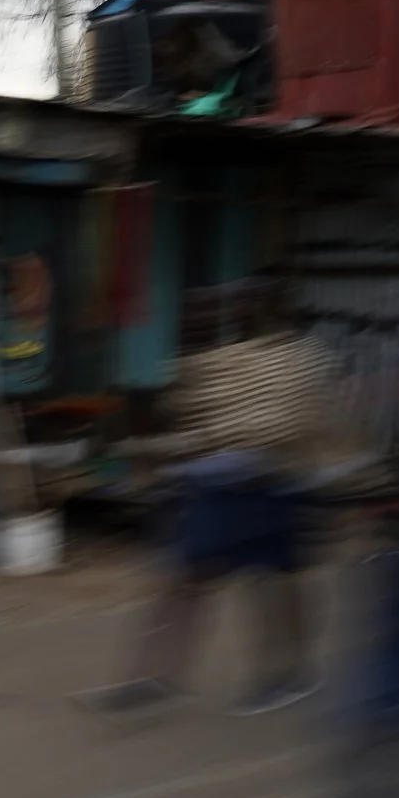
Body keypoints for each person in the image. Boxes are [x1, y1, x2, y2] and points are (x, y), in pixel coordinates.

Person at [76, 277, 337, 718]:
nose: (231, 315)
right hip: (221, 494)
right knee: (187, 584)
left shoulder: (296, 363)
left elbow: (289, 431)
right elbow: (200, 433)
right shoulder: (220, 366)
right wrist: (170, 458)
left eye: (243, 306)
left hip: (273, 492)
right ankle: (155, 679)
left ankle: (288, 674)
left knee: (272, 587)